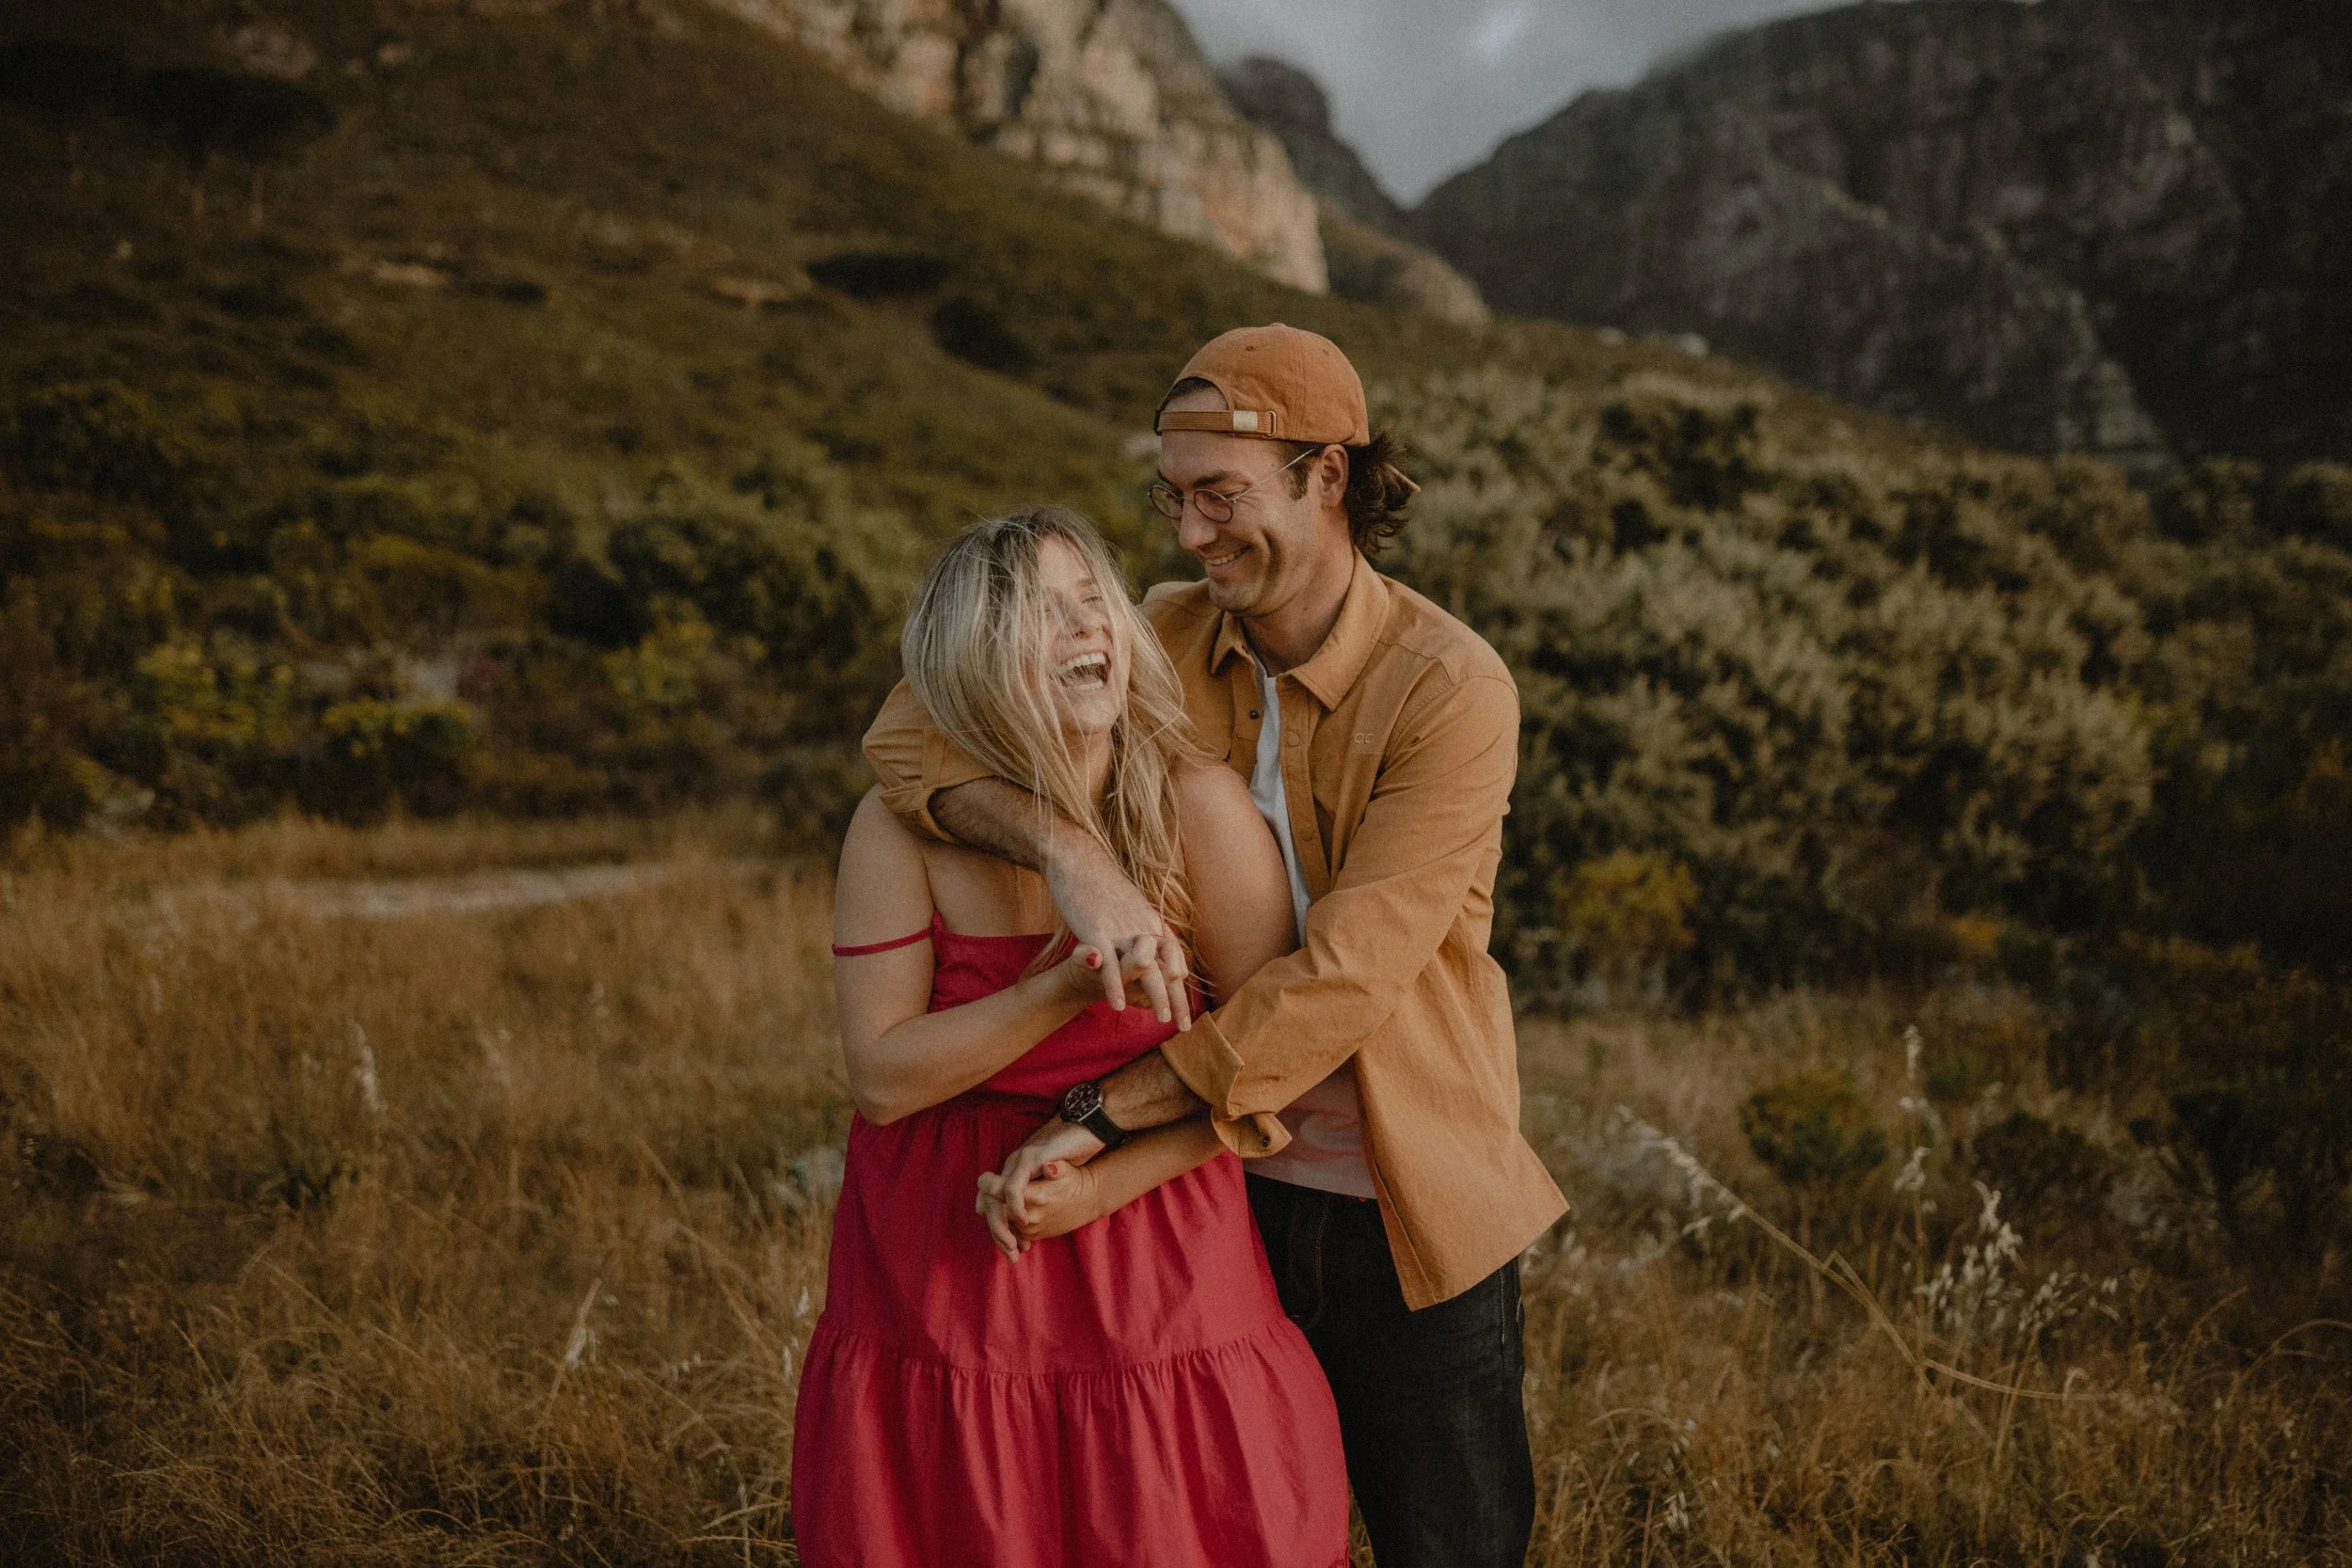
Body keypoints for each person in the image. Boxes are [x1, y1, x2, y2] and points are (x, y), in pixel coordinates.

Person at [863, 324, 1571, 1568]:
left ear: (1327, 476)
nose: (1189, 532)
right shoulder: (1158, 634)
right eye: (1172, 496)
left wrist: (1101, 1111)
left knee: (1448, 1542)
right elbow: (906, 730)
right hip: (1208, 1196)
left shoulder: (1450, 687)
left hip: (1394, 1200)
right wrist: (1068, 854)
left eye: (1219, 496)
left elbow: (1342, 979)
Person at [791, 506, 1349, 1568]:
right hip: (946, 1249)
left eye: (1091, 597)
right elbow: (882, 1076)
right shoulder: (896, 826)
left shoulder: (1199, 810)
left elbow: (1268, 1065)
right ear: (972, 657)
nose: (1084, 624)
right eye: (1038, 613)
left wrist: (1104, 1176)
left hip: (1155, 1238)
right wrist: (1063, 987)